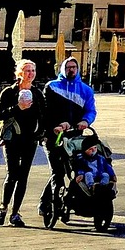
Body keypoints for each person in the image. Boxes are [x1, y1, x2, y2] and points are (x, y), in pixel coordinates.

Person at [41, 56, 98, 219]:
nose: (71, 70)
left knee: (71, 170)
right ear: (62, 69)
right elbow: (46, 112)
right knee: (57, 171)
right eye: (68, 67)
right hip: (54, 136)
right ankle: (50, 204)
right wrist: (56, 126)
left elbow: (91, 110)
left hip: (74, 138)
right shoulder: (51, 87)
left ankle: (49, 201)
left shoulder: (86, 90)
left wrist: (86, 121)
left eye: (74, 67)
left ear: (78, 69)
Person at [0, 59, 44, 227]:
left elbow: (43, 117)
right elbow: (0, 115)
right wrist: (18, 108)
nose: (30, 74)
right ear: (19, 73)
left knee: (23, 178)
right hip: (12, 139)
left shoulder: (37, 94)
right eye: (27, 70)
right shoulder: (9, 92)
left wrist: (39, 135)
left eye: (32, 70)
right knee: (12, 175)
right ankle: (3, 208)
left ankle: (15, 213)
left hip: (29, 140)